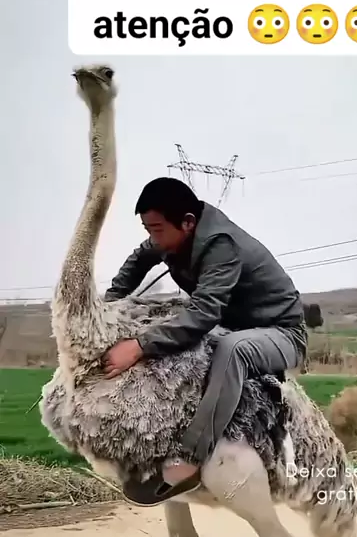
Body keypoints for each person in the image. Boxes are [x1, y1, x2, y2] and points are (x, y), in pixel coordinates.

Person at [103, 177, 308, 505]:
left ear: (187, 222)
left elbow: (203, 313)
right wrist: (107, 309)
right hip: (234, 326)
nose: (152, 238)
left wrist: (139, 345)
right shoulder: (171, 237)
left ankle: (189, 462)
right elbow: (139, 259)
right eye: (147, 229)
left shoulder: (221, 246)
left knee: (233, 350)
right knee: (174, 334)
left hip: (281, 333)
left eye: (157, 229)